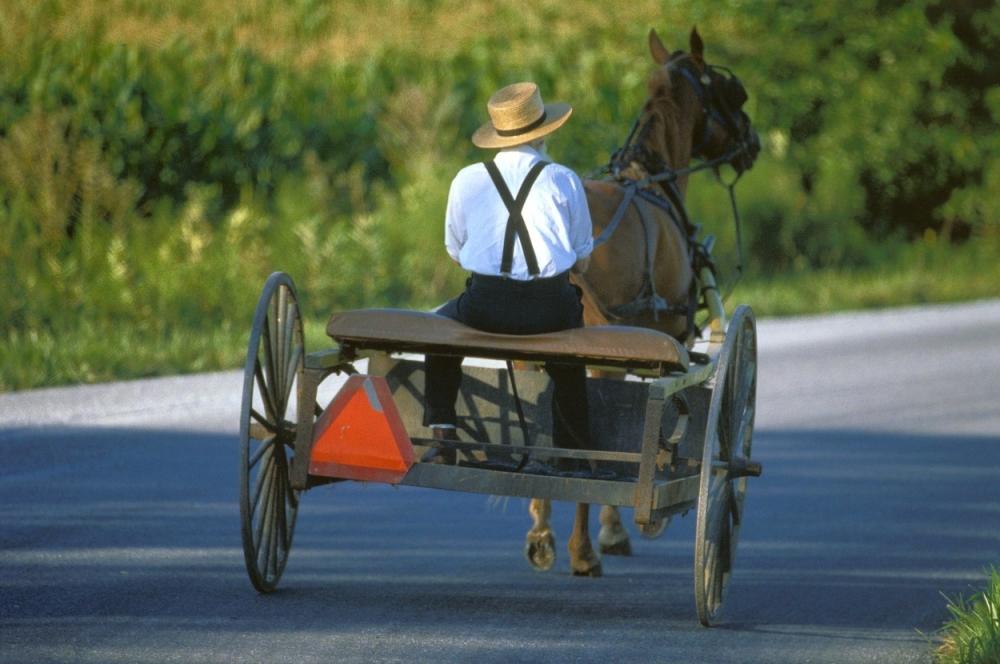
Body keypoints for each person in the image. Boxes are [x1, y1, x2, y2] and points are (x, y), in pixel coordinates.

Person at [423, 81, 594, 466]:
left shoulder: (467, 180)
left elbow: (455, 251)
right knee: (570, 359)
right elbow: (583, 259)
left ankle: (443, 432)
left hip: (485, 306)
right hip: (549, 310)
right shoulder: (564, 178)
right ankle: (573, 448)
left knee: (439, 331)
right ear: (543, 133)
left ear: (497, 135)